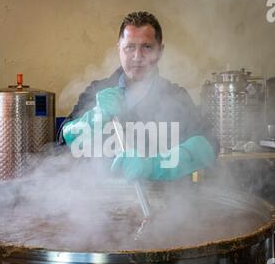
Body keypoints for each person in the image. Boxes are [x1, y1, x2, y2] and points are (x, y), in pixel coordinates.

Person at [57, 11, 219, 181]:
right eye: (129, 47)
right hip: (104, 201)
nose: (137, 57)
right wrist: (93, 119)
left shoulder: (176, 96)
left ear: (160, 51)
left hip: (164, 201)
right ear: (119, 48)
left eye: (147, 47)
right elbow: (62, 140)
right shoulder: (98, 90)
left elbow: (210, 144)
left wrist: (154, 167)